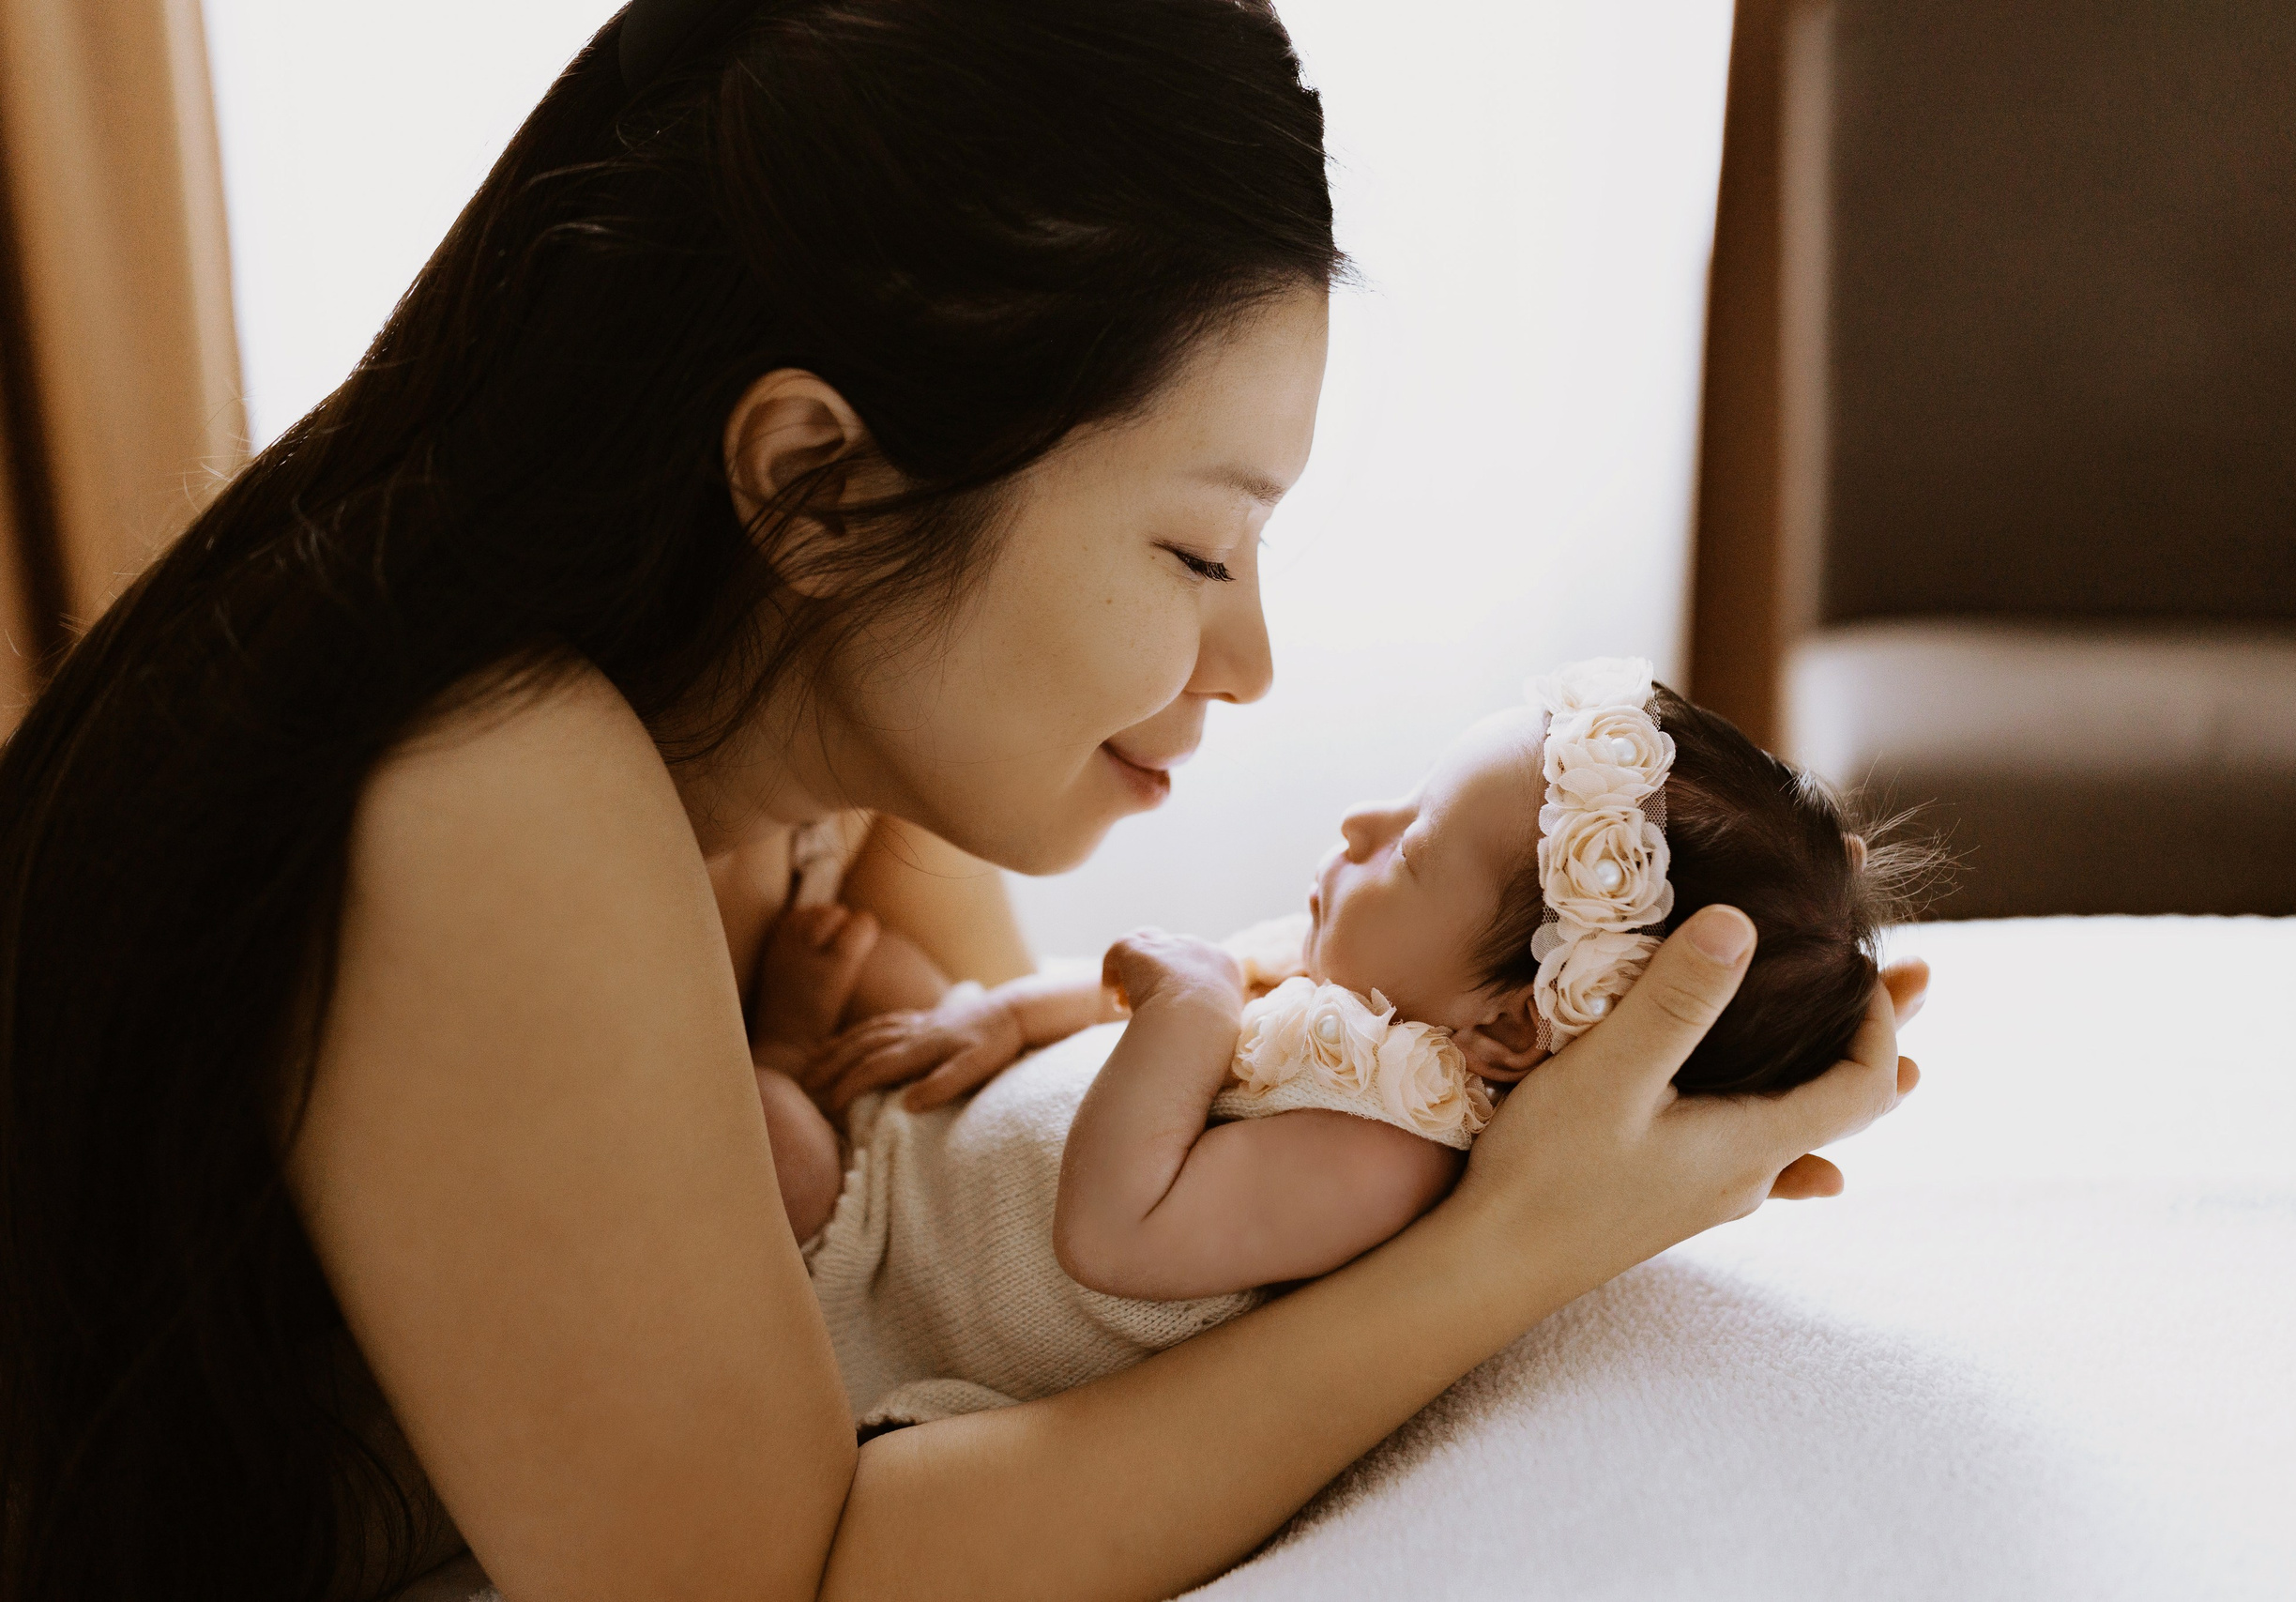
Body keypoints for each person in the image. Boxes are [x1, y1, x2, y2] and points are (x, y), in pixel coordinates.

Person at [0, 3, 1923, 1599]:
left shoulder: (831, 771)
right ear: (820, 491)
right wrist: (1513, 1242)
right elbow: (787, 1573)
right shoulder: (495, 787)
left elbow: (986, 1312)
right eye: (1194, 551)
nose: (1248, 662)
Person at [740, 660, 1937, 1428]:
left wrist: (1188, 1011)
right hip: (938, 1123)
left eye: (1408, 849)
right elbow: (1109, 999)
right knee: (899, 978)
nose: (1358, 827)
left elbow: (1113, 1230)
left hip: (881, 1244)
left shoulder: (1376, 1159)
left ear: (1514, 1024)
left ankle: (786, 1061)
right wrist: (1002, 1015)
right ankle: (821, 1056)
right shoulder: (1359, 1009)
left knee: (762, 1133)